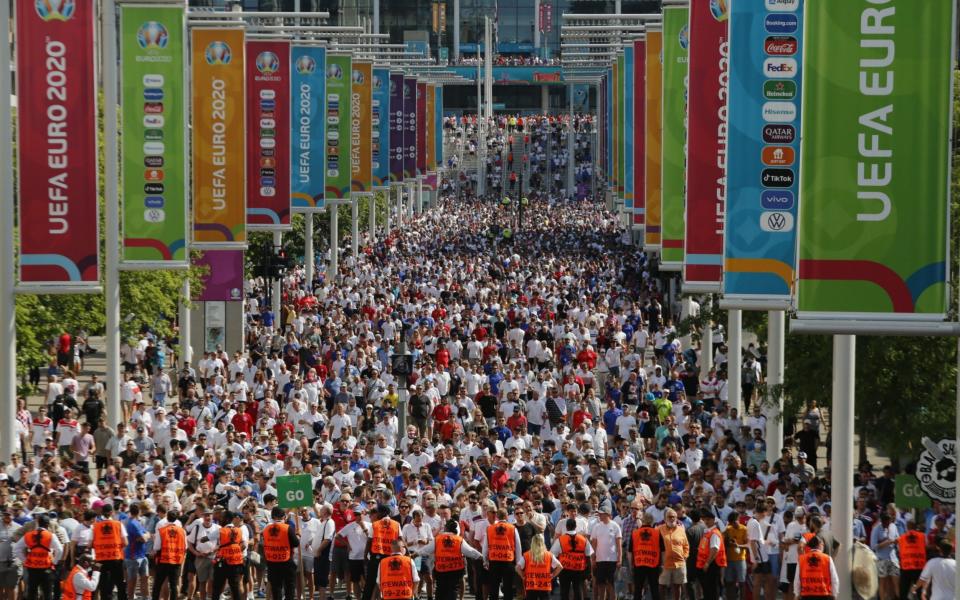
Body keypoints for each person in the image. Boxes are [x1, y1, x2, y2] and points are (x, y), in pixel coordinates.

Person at [415, 520, 482, 600]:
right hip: (455, 570)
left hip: (441, 569)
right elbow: (470, 551)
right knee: (452, 590)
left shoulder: (438, 539)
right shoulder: (459, 540)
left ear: (446, 528)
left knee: (440, 589)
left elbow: (426, 550)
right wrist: (481, 556)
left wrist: (415, 554)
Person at [14, 514, 63, 600]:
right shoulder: (51, 536)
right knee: (47, 593)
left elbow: (17, 549)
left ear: (38, 523)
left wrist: (25, 560)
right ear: (47, 525)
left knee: (32, 592)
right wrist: (54, 562)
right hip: (46, 568)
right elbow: (60, 550)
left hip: (32, 568)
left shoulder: (28, 535)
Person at [483, 507, 522, 600]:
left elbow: (485, 546)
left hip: (494, 560)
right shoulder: (512, 528)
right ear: (507, 516)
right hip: (508, 560)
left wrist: (485, 560)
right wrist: (518, 561)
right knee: (508, 586)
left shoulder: (490, 528)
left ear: (496, 516)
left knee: (494, 586)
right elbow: (518, 546)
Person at [363, 505, 400, 600]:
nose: (377, 514)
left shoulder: (375, 524)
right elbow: (400, 539)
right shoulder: (396, 524)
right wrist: (406, 553)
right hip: (390, 557)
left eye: (378, 512)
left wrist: (365, 556)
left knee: (370, 582)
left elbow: (369, 541)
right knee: (387, 581)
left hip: (376, 557)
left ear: (383, 513)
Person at [91, 505, 128, 600]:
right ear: (112, 512)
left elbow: (90, 544)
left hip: (101, 558)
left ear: (102, 512)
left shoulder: (95, 526)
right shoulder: (119, 524)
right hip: (116, 557)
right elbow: (126, 542)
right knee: (120, 583)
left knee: (103, 584)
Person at [262, 507, 299, 600]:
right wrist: (298, 535)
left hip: (271, 561)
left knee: (276, 588)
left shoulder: (266, 529)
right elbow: (296, 543)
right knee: (289, 587)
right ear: (284, 517)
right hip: (286, 561)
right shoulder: (287, 528)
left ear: (272, 517)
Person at [551, 519, 592, 600]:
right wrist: (589, 571)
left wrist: (555, 569)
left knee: (564, 591)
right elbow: (588, 556)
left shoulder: (560, 540)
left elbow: (553, 555)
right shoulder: (584, 540)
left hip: (564, 569)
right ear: (575, 527)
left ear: (566, 527)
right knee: (578, 590)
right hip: (579, 569)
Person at [211, 511, 247, 600]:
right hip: (235, 562)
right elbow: (245, 544)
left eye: (222, 517)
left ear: (226, 519)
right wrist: (236, 550)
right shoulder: (239, 530)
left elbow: (205, 538)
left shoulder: (220, 530)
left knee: (217, 587)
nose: (220, 519)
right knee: (235, 587)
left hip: (222, 563)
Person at [516, 534, 562, 600]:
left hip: (531, 585)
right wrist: (552, 575)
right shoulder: (549, 555)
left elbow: (518, 568)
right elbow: (560, 567)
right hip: (545, 585)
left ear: (532, 543)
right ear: (543, 543)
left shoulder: (527, 555)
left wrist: (523, 576)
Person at [152, 510, 187, 600]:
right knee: (174, 585)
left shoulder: (162, 530)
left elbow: (156, 547)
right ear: (176, 519)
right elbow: (185, 546)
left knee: (158, 584)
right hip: (176, 561)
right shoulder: (182, 531)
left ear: (167, 517)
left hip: (163, 560)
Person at [589, 507, 622, 600]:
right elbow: (594, 544)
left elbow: (619, 544)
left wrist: (619, 559)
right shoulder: (596, 527)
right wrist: (593, 559)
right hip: (600, 560)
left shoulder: (615, 526)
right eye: (599, 513)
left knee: (611, 585)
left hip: (612, 560)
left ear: (607, 514)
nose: (599, 515)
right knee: (600, 585)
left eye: (601, 513)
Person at [630, 513, 661, 600]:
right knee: (654, 589)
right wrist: (661, 564)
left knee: (638, 589)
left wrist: (631, 564)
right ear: (652, 521)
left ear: (642, 521)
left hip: (639, 564)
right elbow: (662, 550)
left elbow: (630, 552)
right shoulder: (657, 533)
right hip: (653, 564)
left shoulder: (635, 533)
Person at [695, 512, 726, 600]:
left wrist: (707, 563)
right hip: (708, 564)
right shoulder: (708, 532)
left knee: (712, 590)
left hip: (712, 565)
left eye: (708, 519)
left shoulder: (714, 533)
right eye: (705, 519)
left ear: (713, 520)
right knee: (708, 590)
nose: (706, 521)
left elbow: (714, 549)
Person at [897, 520, 927, 600]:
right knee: (920, 591)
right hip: (919, 567)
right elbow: (926, 547)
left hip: (906, 567)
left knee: (904, 591)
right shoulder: (923, 536)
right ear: (915, 526)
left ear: (907, 527)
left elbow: (899, 550)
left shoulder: (901, 538)